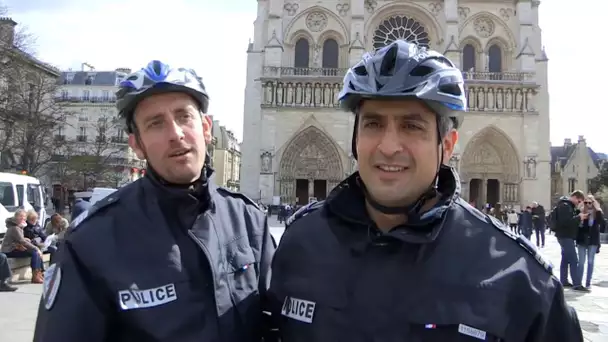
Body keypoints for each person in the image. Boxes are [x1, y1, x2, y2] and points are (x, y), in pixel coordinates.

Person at [267, 40, 583, 341]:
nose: (388, 147)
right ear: (355, 140)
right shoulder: (300, 244)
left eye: (412, 126)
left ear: (446, 146)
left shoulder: (520, 279)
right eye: (373, 124)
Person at [33, 60, 276, 342]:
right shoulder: (91, 241)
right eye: (156, 123)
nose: (176, 134)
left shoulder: (248, 221)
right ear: (136, 145)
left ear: (206, 128)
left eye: (184, 116)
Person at [1, 209, 44, 284]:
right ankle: (36, 276)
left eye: (24, 217)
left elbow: (19, 239)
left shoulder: (18, 226)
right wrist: (36, 248)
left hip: (14, 248)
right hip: (9, 250)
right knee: (35, 252)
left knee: (36, 253)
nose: (23, 218)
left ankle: (38, 274)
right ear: (16, 217)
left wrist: (25, 239)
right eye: (20, 216)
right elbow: (22, 241)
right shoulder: (15, 227)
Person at [553, 190, 587, 288]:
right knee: (573, 260)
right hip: (565, 236)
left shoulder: (567, 206)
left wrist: (578, 214)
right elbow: (566, 222)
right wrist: (579, 218)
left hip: (564, 236)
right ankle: (577, 284)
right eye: (579, 201)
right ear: (575, 197)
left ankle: (564, 281)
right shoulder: (565, 206)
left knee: (565, 259)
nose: (579, 203)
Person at [574, 195, 604, 291]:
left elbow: (602, 223)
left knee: (590, 262)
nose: (587, 204)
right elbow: (576, 225)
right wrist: (580, 216)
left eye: (589, 202)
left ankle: (588, 283)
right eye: (586, 202)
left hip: (593, 240)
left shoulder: (597, 212)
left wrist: (598, 210)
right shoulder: (581, 212)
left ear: (593, 203)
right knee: (581, 262)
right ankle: (578, 283)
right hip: (582, 240)